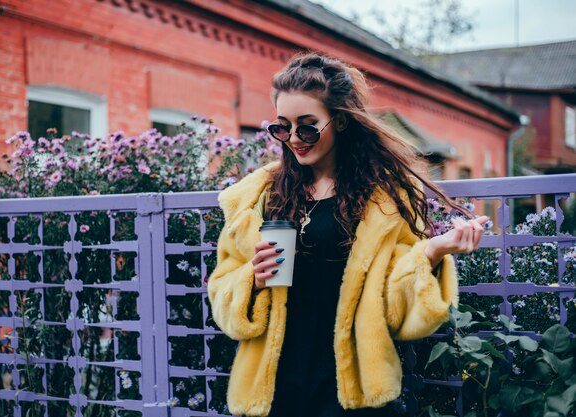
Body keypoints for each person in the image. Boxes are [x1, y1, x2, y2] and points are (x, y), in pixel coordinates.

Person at [207, 52, 487, 417]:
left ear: (338, 122)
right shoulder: (256, 198)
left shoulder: (382, 201)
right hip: (273, 388)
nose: (294, 138)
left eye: (307, 126)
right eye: (282, 127)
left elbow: (396, 309)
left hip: (351, 390)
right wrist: (253, 281)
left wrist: (431, 252)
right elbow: (222, 295)